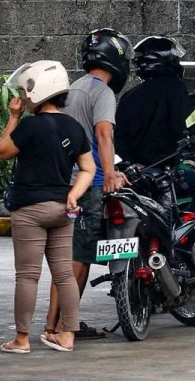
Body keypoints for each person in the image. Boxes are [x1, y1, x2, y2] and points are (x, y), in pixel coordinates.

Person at [0, 61, 94, 353]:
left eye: (27, 93)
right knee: (64, 274)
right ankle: (67, 336)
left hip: (29, 209)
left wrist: (13, 117)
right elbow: (88, 168)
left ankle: (22, 339)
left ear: (38, 92)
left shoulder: (29, 126)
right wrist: (74, 194)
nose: (24, 99)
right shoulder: (74, 127)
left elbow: (3, 151)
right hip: (61, 209)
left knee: (27, 275)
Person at [46, 28, 132, 341]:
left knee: (67, 255)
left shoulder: (74, 88)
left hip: (62, 182)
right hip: (87, 184)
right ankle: (62, 326)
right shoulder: (102, 92)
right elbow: (104, 134)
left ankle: (53, 324)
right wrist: (110, 174)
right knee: (79, 257)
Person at [114, 36, 195, 177]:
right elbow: (189, 124)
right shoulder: (174, 88)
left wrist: (130, 164)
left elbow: (117, 137)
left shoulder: (129, 96)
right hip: (162, 174)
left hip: (132, 174)